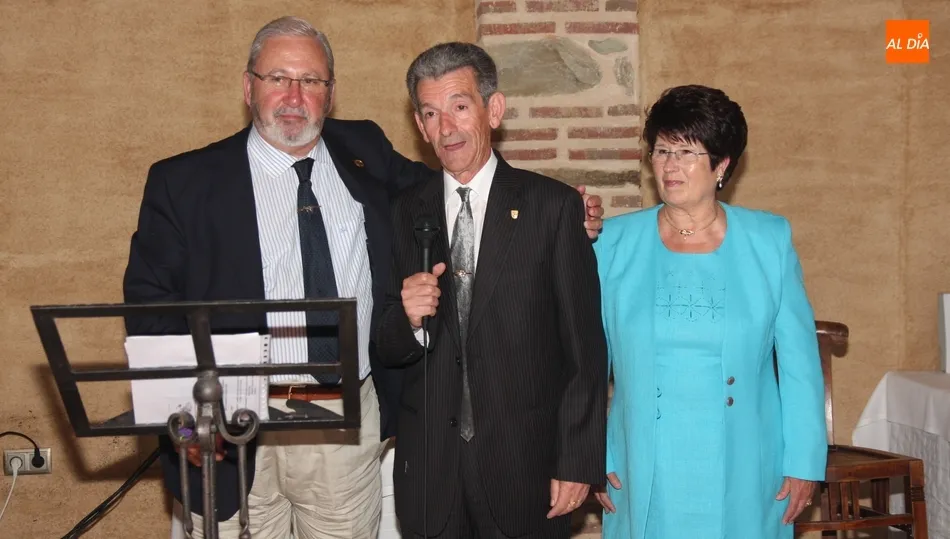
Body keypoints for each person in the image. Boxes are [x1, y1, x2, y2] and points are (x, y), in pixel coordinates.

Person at [122, 17, 605, 539]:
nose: (293, 95)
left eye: (311, 82)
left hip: (342, 423)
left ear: (330, 94)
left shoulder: (365, 151)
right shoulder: (183, 183)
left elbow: (461, 182)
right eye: (277, 78)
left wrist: (555, 209)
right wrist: (188, 423)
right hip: (236, 427)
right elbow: (152, 314)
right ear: (248, 86)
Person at [375, 42, 608, 539]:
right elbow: (383, 345)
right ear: (419, 125)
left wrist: (577, 459)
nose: (447, 128)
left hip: (526, 470)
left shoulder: (552, 208)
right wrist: (407, 321)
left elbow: (585, 352)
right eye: (432, 113)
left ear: (493, 110)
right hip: (431, 473)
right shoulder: (402, 213)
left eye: (460, 107)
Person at [591, 84, 827, 538]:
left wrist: (804, 462)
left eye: (686, 152)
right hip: (641, 461)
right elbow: (586, 364)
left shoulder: (769, 241)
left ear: (722, 165)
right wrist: (591, 454)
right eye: (661, 150)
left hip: (748, 460)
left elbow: (799, 364)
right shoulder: (612, 243)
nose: (669, 165)